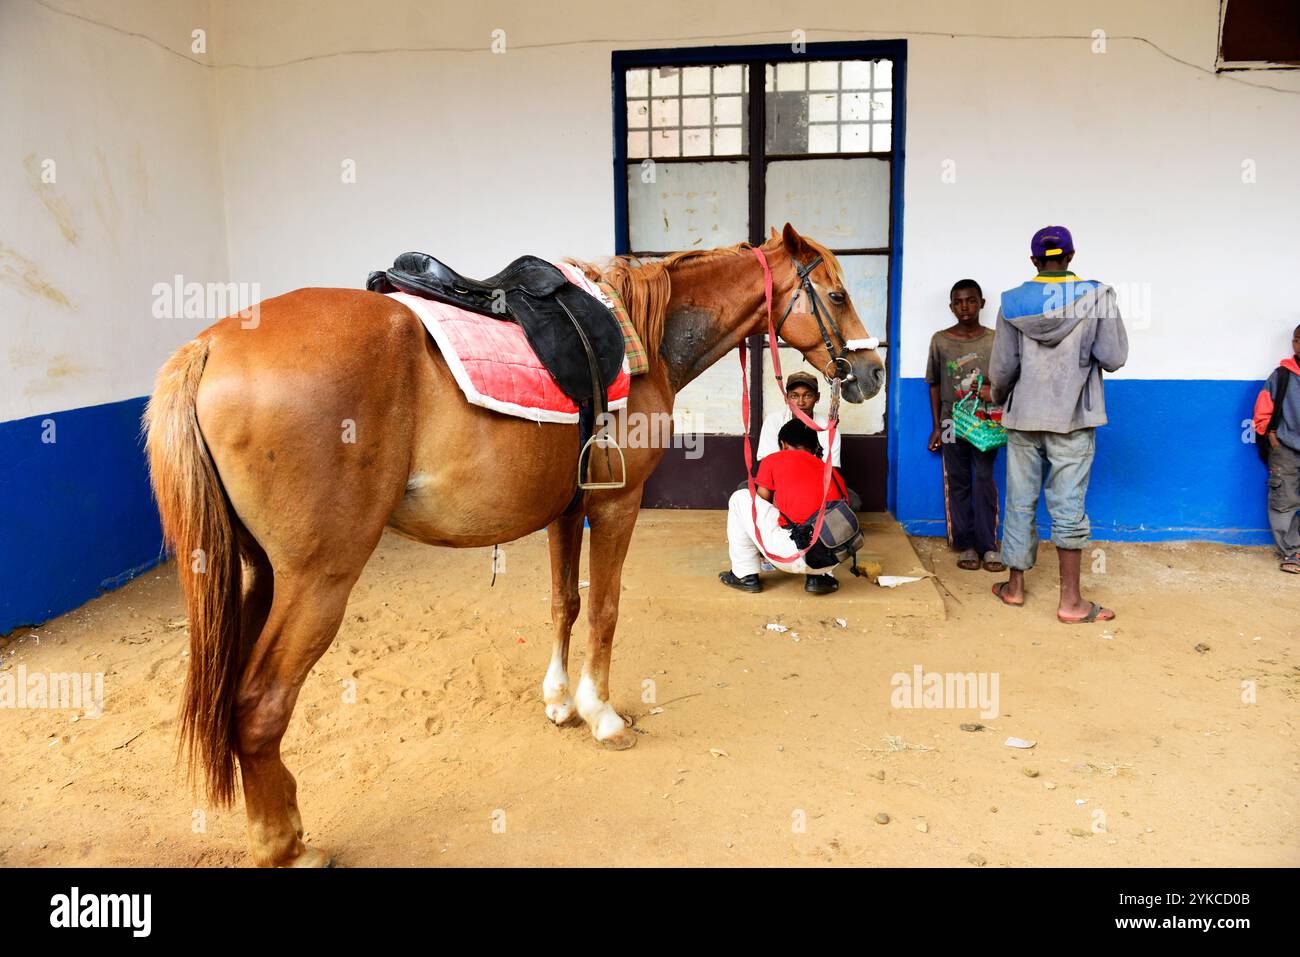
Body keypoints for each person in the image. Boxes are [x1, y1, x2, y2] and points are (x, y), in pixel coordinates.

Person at [988, 225, 1128, 624]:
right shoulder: (1097, 296)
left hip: (1024, 416)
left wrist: (998, 398)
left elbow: (1003, 367)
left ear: (1034, 261)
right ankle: (1071, 602)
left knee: (1019, 500)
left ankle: (1014, 588)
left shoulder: (1011, 303)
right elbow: (1114, 356)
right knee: (1068, 504)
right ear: (1070, 256)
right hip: (1073, 416)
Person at [925, 279, 1004, 572]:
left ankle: (988, 545)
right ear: (951, 306)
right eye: (958, 302)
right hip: (949, 421)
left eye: (971, 301)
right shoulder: (940, 340)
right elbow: (933, 384)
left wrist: (993, 392)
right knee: (956, 480)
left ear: (982, 303)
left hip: (986, 422)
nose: (965, 307)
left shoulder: (995, 340)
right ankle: (966, 544)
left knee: (984, 479)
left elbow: (1008, 379)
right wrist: (936, 426)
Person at [722, 419, 844, 595]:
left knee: (740, 498)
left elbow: (761, 504)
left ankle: (745, 574)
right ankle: (820, 577)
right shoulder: (829, 470)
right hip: (831, 557)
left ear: (783, 444)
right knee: (817, 520)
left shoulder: (772, 460)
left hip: (791, 556)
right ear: (814, 445)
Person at [1254, 324, 1300, 573]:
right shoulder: (1281, 376)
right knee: (1284, 501)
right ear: (1294, 343)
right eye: (1298, 340)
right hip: (1286, 450)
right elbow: (1262, 411)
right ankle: (1293, 553)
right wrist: (1272, 437)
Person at [757, 372, 842, 466]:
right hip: (780, 479)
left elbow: (831, 472)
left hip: (814, 480)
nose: (801, 403)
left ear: (817, 397)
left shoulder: (828, 429)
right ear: (786, 398)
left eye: (808, 395)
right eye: (794, 396)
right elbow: (767, 465)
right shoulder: (773, 421)